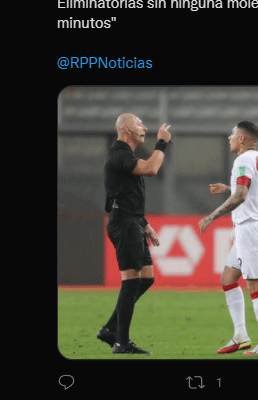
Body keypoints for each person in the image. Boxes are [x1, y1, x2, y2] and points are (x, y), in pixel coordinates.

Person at [198, 121, 258, 356]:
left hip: (250, 229)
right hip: (250, 228)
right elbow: (255, 190)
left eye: (233, 134)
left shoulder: (242, 160)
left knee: (256, 287)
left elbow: (242, 195)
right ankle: (241, 335)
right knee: (228, 279)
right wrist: (228, 188)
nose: (229, 138)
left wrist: (212, 215)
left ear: (242, 138)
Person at [98, 113, 172, 355]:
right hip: (124, 224)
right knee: (130, 282)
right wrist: (161, 143)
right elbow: (151, 169)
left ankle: (110, 329)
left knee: (146, 278)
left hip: (133, 221)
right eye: (139, 124)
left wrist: (144, 223)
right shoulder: (120, 154)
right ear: (127, 130)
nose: (145, 127)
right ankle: (121, 342)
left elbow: (126, 195)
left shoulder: (125, 156)